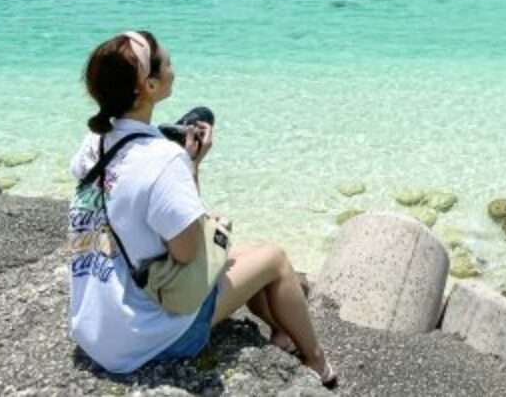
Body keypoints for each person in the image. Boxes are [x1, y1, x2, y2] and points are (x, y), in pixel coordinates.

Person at [67, 30, 336, 386]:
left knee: (246, 253)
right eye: (168, 62)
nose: (173, 68)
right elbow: (187, 252)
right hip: (148, 338)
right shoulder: (163, 159)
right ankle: (318, 363)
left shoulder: (94, 143)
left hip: (97, 328)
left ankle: (282, 332)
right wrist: (191, 166)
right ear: (148, 85)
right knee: (274, 259)